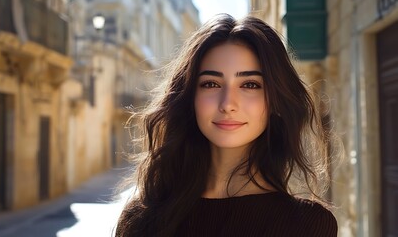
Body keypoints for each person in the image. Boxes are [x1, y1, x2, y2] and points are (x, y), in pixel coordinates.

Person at [115, 13, 338, 237]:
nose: (228, 104)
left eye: (250, 84)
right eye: (211, 84)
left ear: (275, 101)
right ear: (189, 97)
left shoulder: (309, 226)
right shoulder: (143, 217)